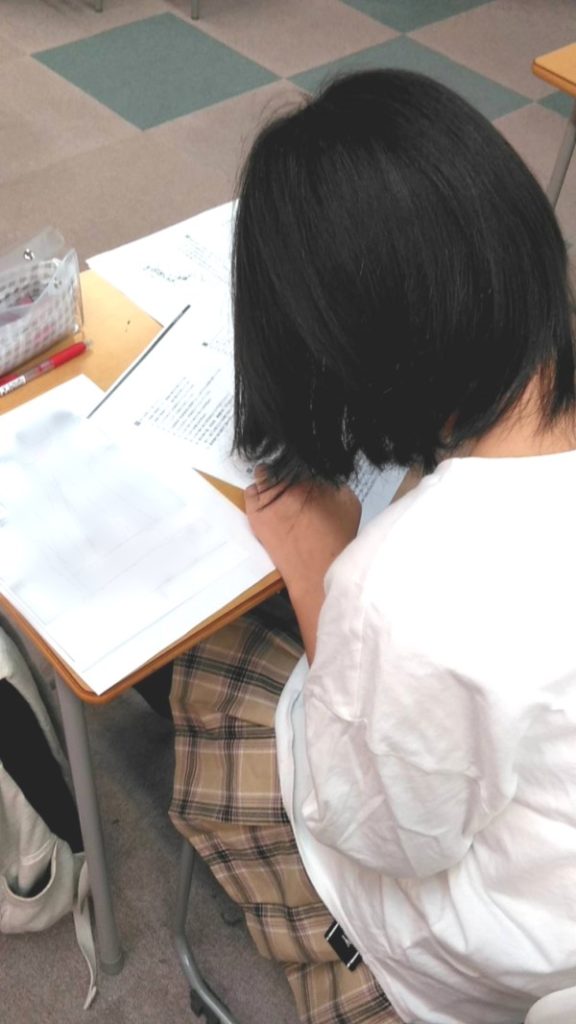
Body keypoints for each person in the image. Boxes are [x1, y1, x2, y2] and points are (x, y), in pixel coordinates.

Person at [169, 69, 576, 1024]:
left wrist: (322, 576)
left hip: (498, 950)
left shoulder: (405, 588)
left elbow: (385, 833)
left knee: (208, 681)